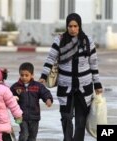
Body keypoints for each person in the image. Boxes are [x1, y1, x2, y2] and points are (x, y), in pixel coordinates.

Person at [39, 13, 103, 141]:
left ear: (79, 26)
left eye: (75, 26)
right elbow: (50, 59)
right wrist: (43, 76)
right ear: (67, 26)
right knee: (66, 117)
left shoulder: (87, 41)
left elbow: (93, 64)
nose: (73, 29)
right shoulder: (60, 40)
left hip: (84, 87)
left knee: (81, 121)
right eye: (70, 26)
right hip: (65, 86)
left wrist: (97, 84)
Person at [10, 62, 53, 141]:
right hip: (20, 116)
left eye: (26, 75)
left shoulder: (37, 86)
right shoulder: (15, 86)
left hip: (34, 116)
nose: (24, 77)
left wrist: (48, 99)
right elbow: (8, 96)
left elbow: (45, 93)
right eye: (22, 75)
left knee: (32, 136)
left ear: (32, 75)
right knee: (24, 134)